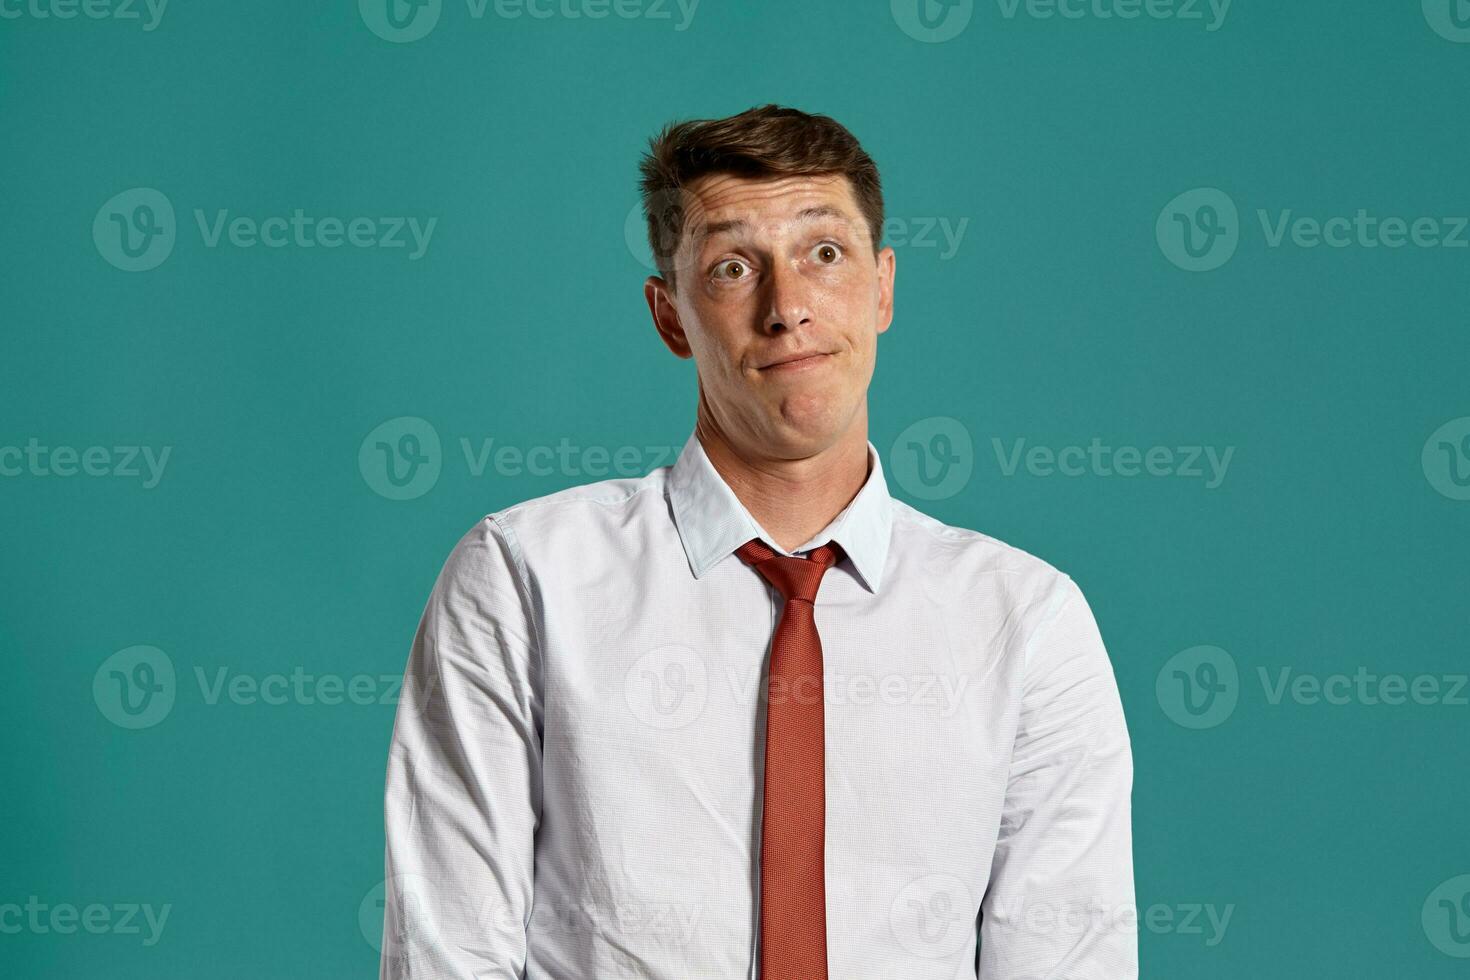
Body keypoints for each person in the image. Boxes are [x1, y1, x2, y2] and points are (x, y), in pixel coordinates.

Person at [380, 103, 1137, 979]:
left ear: (883, 286)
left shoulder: (1027, 621)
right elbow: (449, 957)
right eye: (734, 267)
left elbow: (1068, 960)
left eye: (825, 254)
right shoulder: (523, 580)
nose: (788, 309)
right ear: (670, 317)